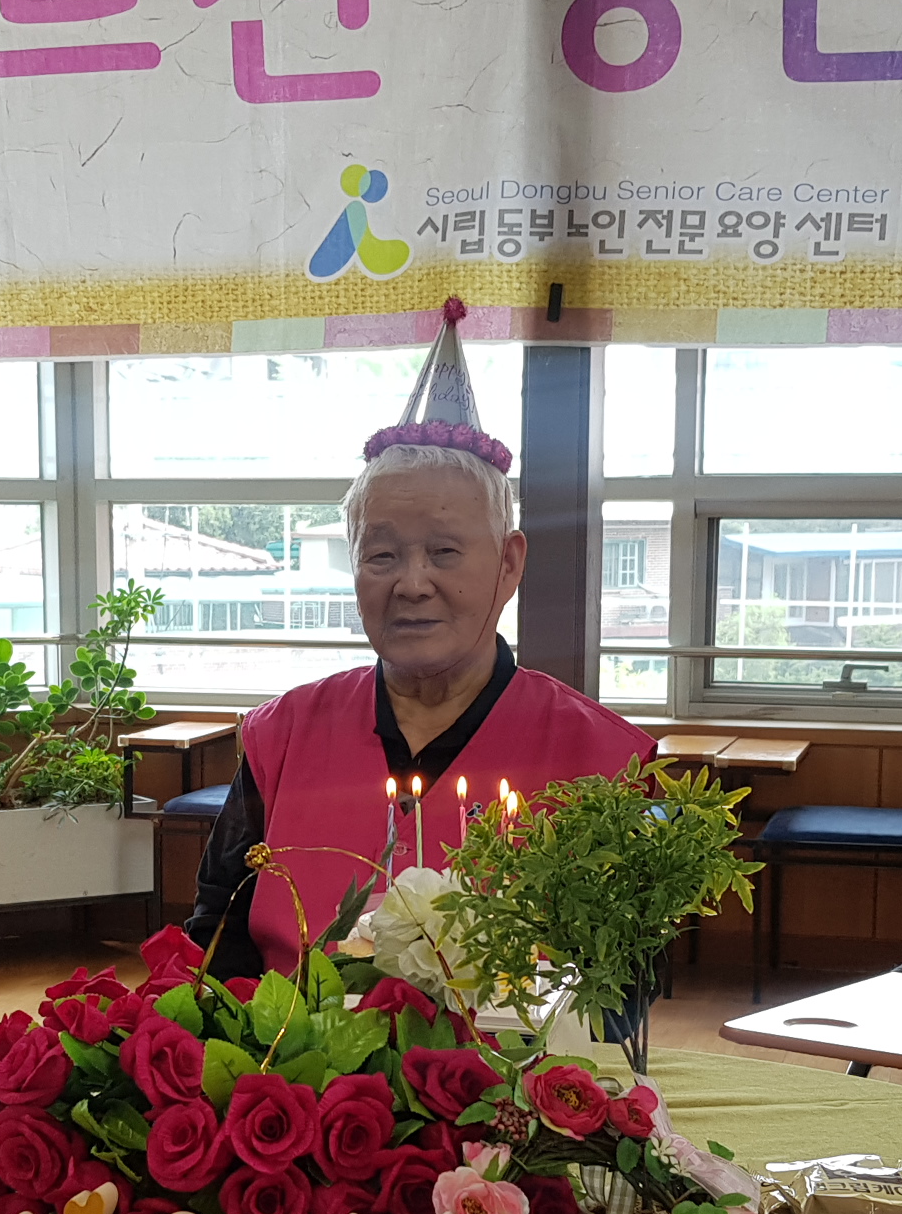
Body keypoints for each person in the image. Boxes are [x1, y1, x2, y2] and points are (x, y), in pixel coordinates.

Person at [187, 299, 650, 976]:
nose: (411, 584)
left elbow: (617, 982)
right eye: (381, 555)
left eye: (444, 552)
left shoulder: (600, 760)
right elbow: (217, 931)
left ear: (509, 563)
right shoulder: (283, 736)